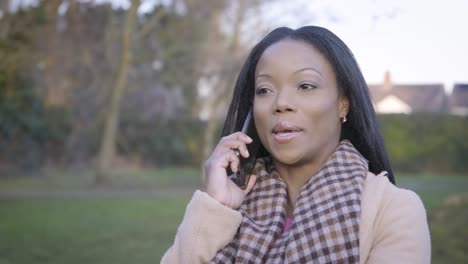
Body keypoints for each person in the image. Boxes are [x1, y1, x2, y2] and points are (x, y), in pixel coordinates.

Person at [161, 26, 431, 263]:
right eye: (264, 90)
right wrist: (217, 207)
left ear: (342, 104)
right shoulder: (227, 209)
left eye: (305, 85)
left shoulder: (394, 211)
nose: (281, 103)